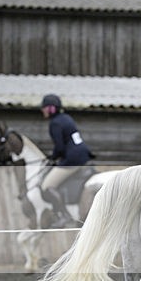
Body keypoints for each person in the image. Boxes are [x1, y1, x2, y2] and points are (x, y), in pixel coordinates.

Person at [39, 94, 94, 228]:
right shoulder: (66, 117)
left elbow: (60, 147)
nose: (42, 110)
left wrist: (52, 158)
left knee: (47, 186)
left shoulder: (55, 123)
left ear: (51, 109)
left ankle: (64, 216)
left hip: (72, 159)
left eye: (44, 108)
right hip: (83, 155)